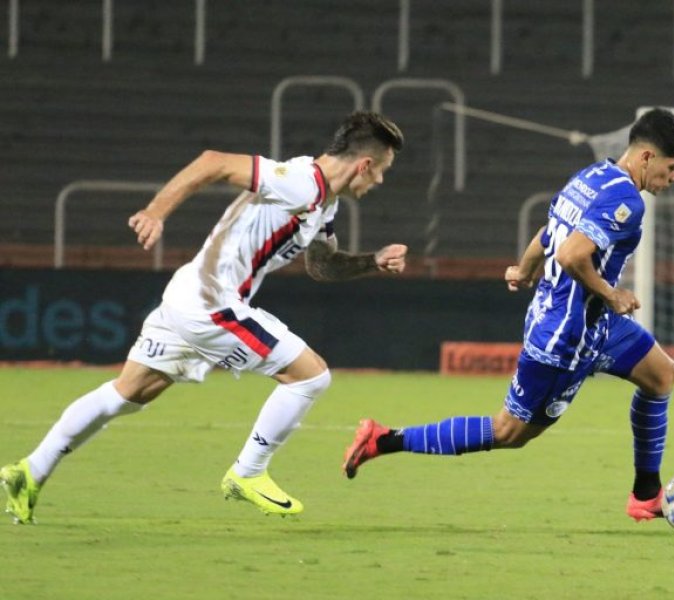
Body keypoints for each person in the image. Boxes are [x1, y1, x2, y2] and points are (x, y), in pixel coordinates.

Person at [1, 111, 407, 524]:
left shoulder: (324, 204)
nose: (380, 182)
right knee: (311, 376)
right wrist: (156, 212)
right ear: (365, 165)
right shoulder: (300, 182)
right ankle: (247, 473)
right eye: (382, 172)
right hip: (212, 305)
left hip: (187, 296)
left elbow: (322, 266)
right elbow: (213, 161)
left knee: (128, 394)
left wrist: (373, 262)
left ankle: (29, 471)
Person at [342, 108, 674, 523]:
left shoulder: (591, 177)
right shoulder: (627, 201)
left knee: (661, 375)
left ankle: (646, 494)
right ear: (648, 157)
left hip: (595, 323)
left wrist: (526, 270)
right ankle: (384, 440)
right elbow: (569, 254)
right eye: (672, 168)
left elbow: (549, 233)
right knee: (509, 432)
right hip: (566, 335)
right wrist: (611, 293)